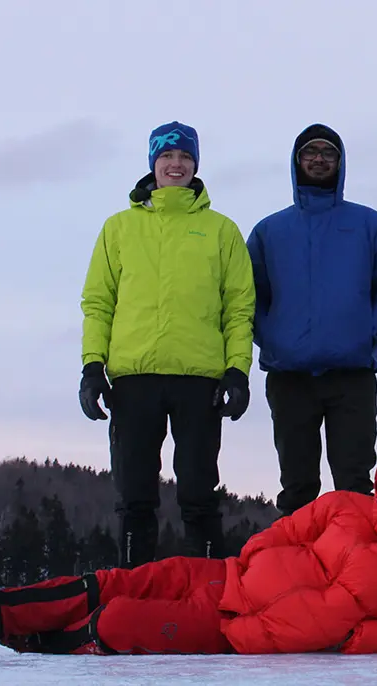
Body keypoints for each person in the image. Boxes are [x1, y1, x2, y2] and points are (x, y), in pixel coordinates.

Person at [0, 442, 377, 657]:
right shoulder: (346, 505)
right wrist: (253, 555)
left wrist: (356, 637)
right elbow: (287, 530)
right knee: (110, 584)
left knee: (117, 620)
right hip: (225, 575)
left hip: (237, 629)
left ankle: (24, 636)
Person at [78, 121, 256, 567]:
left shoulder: (222, 230)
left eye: (185, 157)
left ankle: (209, 588)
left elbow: (239, 309)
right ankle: (133, 589)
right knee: (134, 496)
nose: (176, 164)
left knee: (199, 494)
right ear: (153, 163)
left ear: (196, 164)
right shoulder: (118, 228)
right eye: (167, 156)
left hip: (200, 380)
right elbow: (98, 303)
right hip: (133, 379)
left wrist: (238, 371)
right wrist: (92, 367)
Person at [247, 123, 377, 517]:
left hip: (351, 374)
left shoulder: (368, 224)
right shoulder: (270, 230)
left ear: (340, 162)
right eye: (310, 152)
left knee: (354, 483)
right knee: (297, 485)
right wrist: (272, 339)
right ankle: (296, 555)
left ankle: (355, 555)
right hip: (289, 375)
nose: (319, 159)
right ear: (296, 161)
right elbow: (246, 295)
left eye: (328, 153)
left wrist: (368, 333)